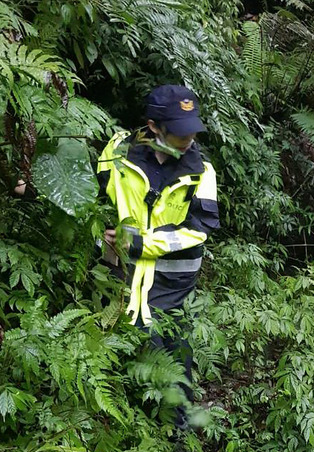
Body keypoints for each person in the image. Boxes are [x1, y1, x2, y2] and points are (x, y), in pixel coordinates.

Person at [96, 84, 220, 429]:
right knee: (123, 345)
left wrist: (141, 243)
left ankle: (176, 436)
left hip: (172, 280)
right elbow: (90, 196)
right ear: (153, 126)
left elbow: (201, 228)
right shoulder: (118, 154)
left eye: (193, 129)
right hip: (118, 272)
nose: (190, 139)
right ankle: (124, 427)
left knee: (171, 352)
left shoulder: (201, 171)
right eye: (181, 132)